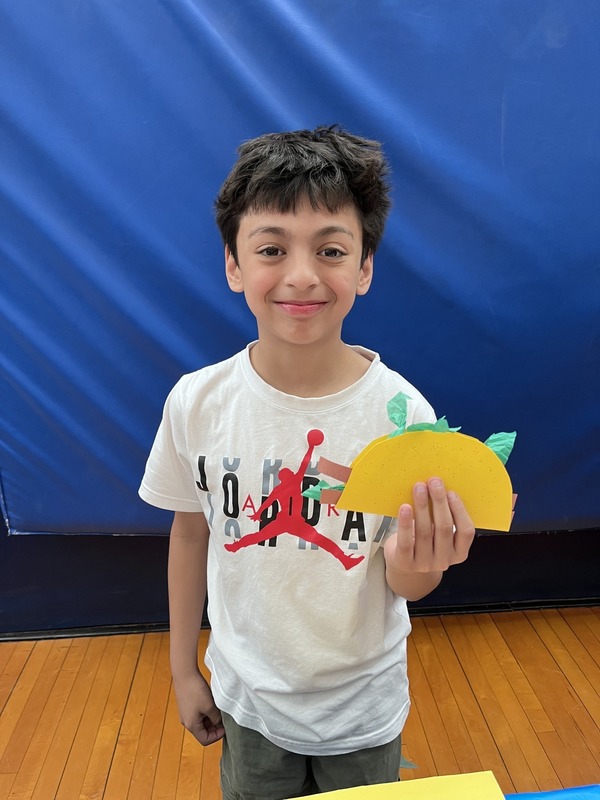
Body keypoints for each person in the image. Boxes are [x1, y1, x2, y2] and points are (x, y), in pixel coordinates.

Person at [139, 125, 475, 799]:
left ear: (365, 267)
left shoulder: (401, 416)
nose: (300, 275)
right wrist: (183, 670)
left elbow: (407, 585)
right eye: (271, 248)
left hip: (362, 713)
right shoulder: (198, 403)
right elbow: (190, 533)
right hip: (249, 703)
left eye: (330, 250)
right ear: (234, 265)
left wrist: (426, 557)